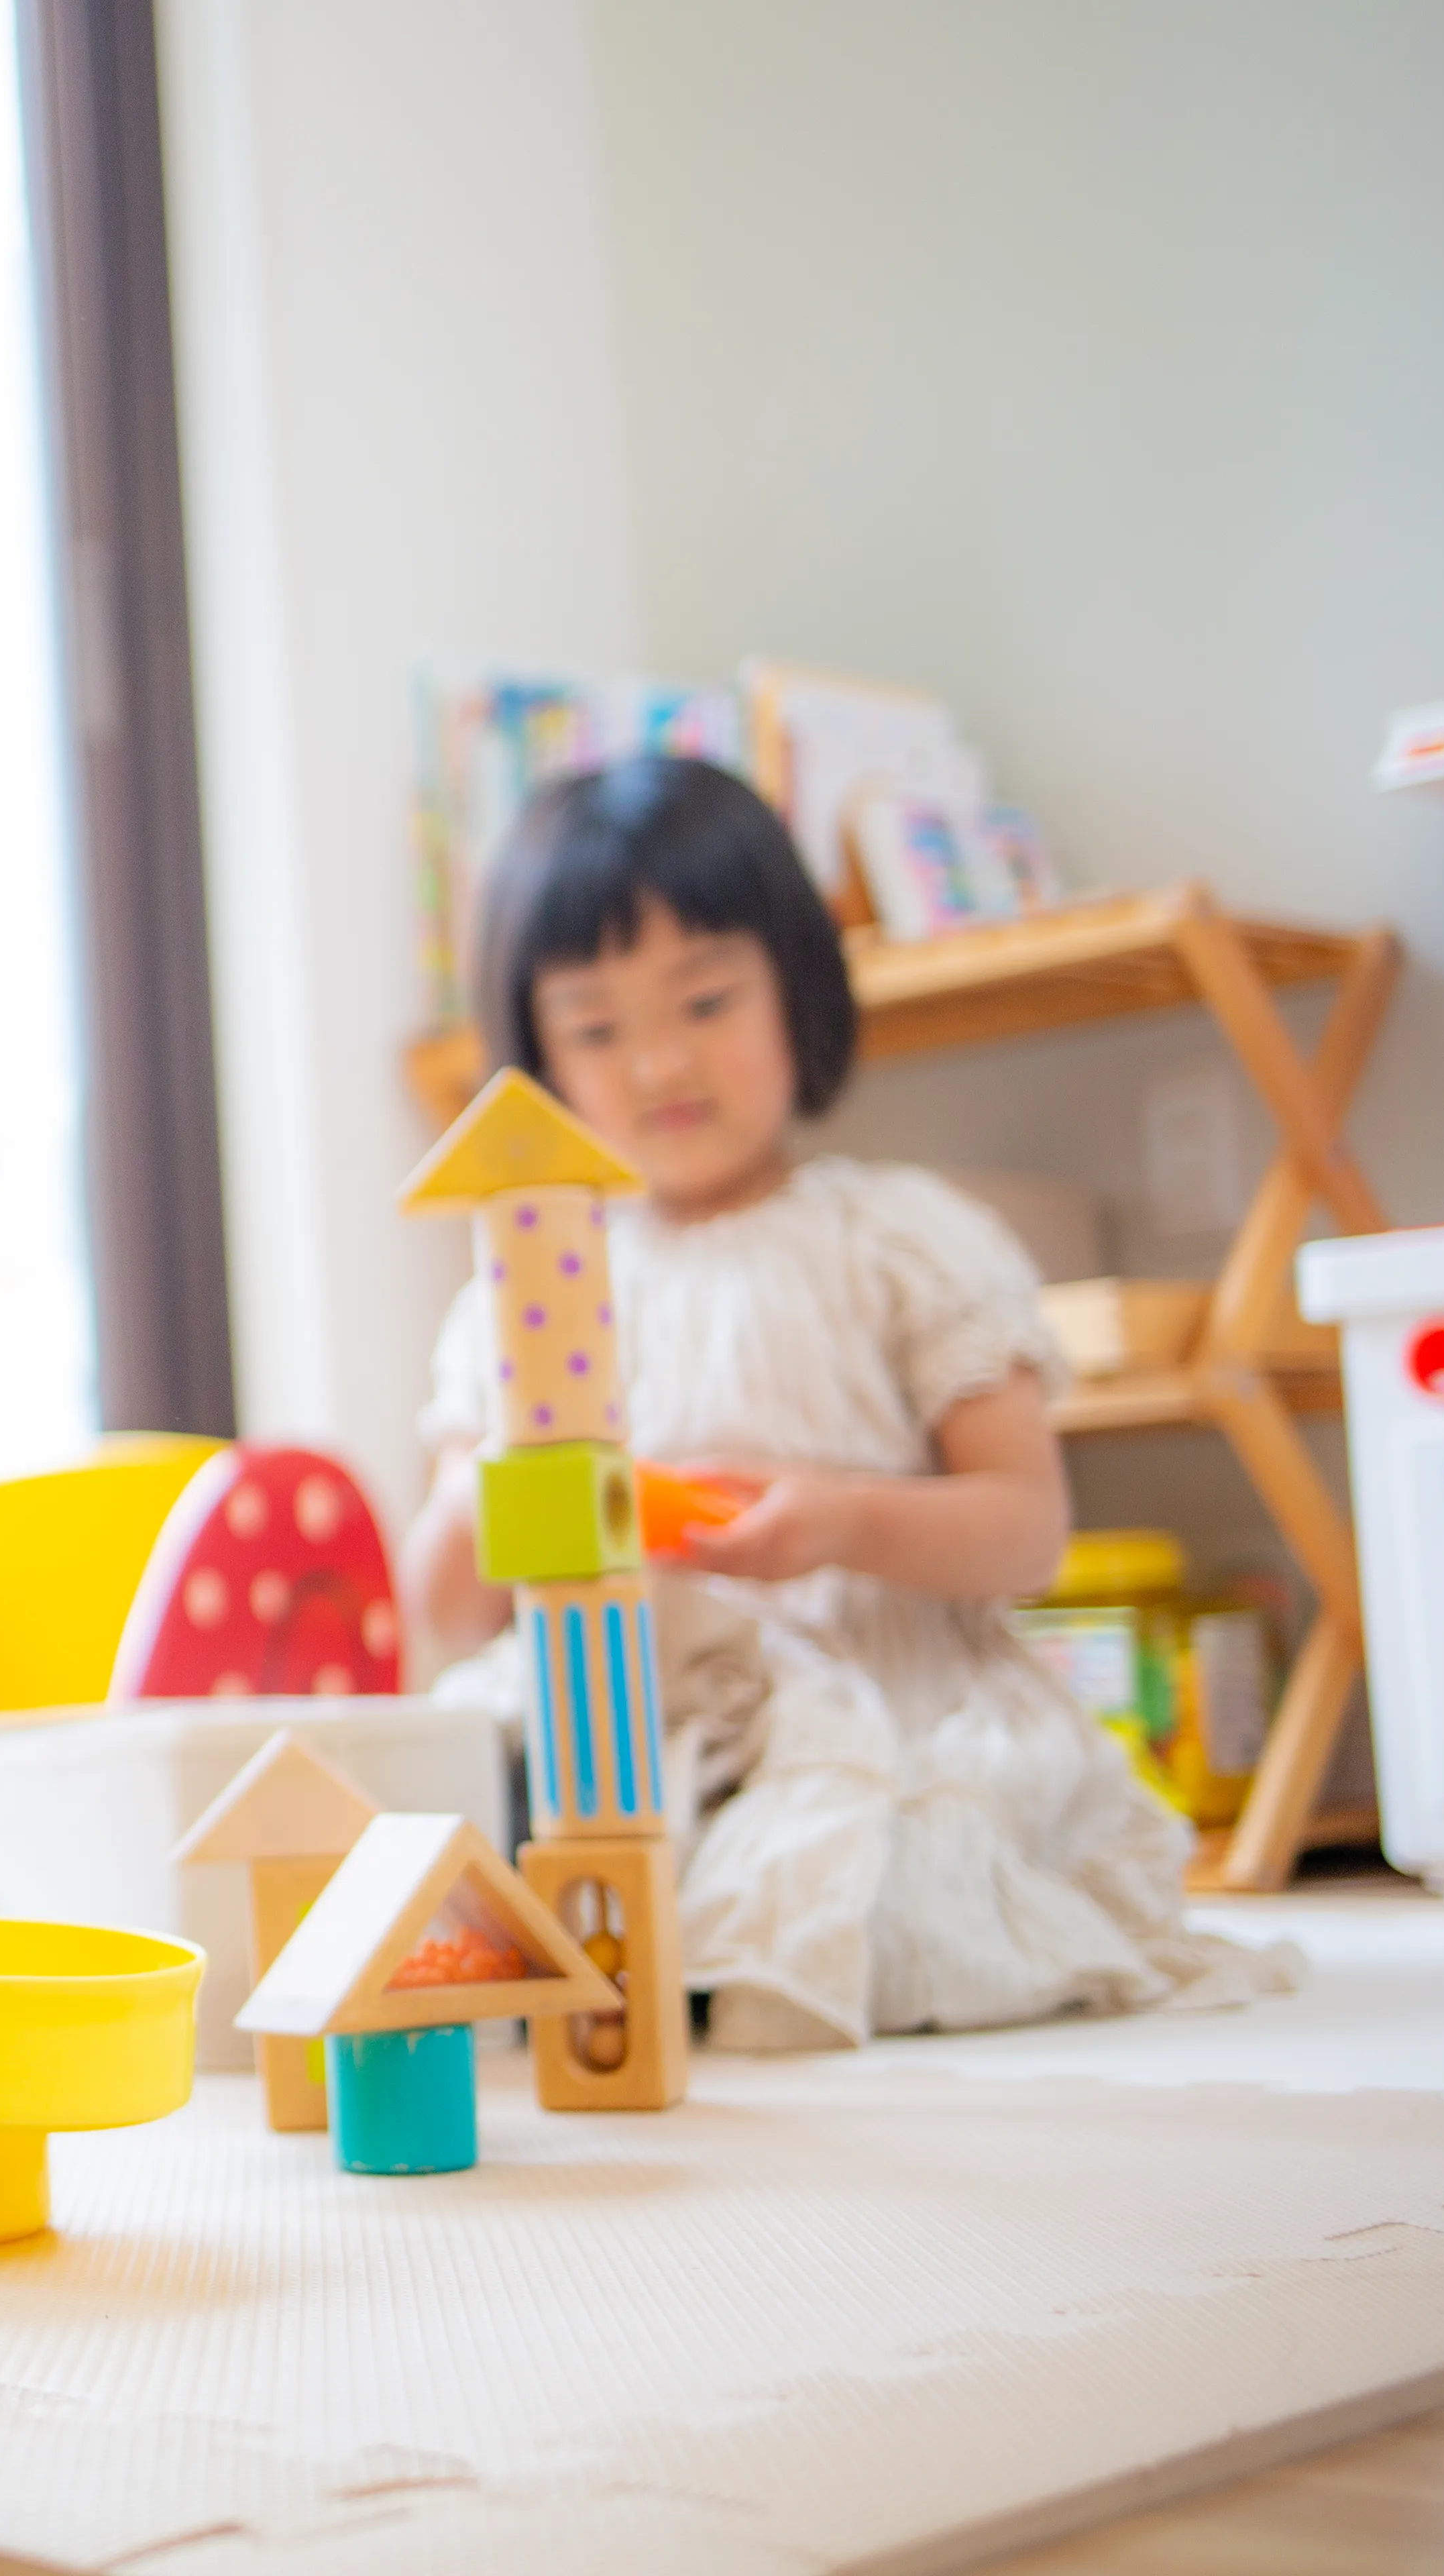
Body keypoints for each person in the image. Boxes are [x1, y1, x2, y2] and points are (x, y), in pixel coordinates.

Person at [399, 757, 1292, 2051]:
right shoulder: (524, 1286)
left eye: (705, 1000)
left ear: (794, 994)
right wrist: (515, 1490)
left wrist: (841, 1521)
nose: (658, 1060)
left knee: (865, 1884)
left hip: (881, 1703)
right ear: (536, 1057)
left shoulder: (900, 1238)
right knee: (449, 1840)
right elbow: (443, 1606)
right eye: (595, 1029)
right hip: (620, 1725)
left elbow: (1026, 1525)